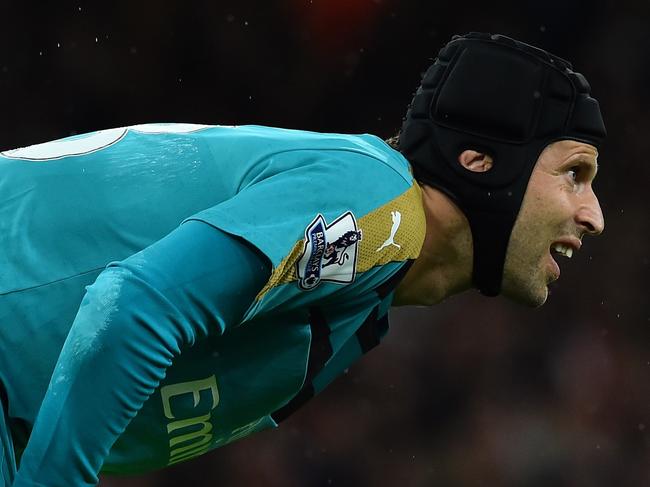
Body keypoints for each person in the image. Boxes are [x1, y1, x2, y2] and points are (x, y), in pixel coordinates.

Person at [0, 32, 605, 486]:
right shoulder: (378, 203)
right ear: (481, 161)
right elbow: (131, 307)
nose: (595, 215)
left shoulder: (370, 295)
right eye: (574, 174)